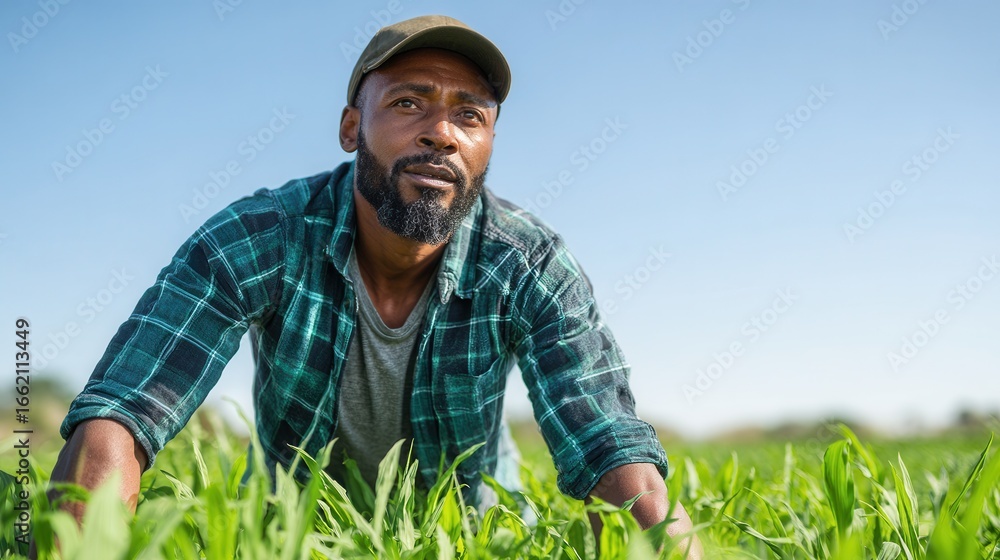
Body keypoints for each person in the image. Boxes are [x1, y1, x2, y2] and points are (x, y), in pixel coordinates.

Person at [48, 14, 702, 556]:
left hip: (468, 533)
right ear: (350, 128)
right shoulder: (260, 237)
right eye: (408, 102)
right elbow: (124, 415)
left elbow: (607, 443)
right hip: (289, 532)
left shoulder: (528, 263)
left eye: (469, 115)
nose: (440, 132)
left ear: (489, 144)